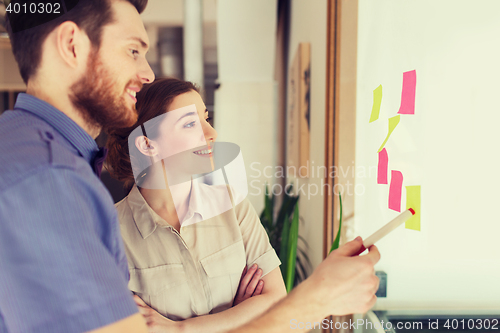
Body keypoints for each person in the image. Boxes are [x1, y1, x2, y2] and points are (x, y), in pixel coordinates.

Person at [0, 1, 380, 332]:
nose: (147, 73)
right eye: (133, 50)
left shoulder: (52, 163)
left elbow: (271, 301)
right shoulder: (46, 181)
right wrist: (317, 299)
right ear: (72, 45)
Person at [105, 77, 287, 332]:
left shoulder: (232, 205)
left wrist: (178, 329)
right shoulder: (108, 232)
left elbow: (275, 301)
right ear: (147, 145)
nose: (211, 134)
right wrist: (237, 315)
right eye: (190, 124)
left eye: (206, 119)